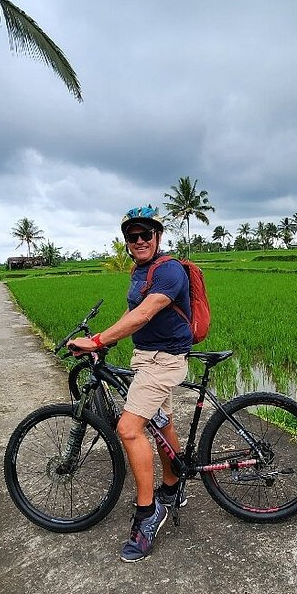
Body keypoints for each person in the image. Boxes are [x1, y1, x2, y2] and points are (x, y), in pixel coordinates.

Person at [69, 205, 192, 562]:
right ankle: (172, 486)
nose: (139, 241)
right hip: (147, 357)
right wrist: (107, 339)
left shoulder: (169, 269)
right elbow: (131, 312)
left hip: (164, 360)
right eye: (132, 236)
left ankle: (148, 512)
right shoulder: (141, 271)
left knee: (128, 428)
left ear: (158, 236)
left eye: (145, 235)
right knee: (160, 420)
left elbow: (146, 312)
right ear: (127, 242)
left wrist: (96, 341)